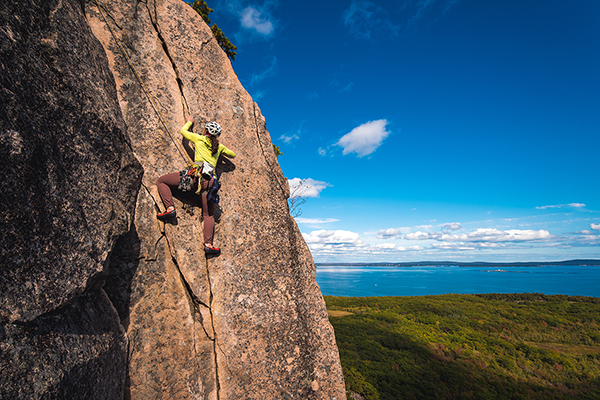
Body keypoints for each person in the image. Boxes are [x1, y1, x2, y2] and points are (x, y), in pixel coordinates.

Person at [156, 117, 236, 254]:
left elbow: (183, 132)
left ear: (205, 131)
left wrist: (189, 122)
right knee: (209, 215)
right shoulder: (219, 147)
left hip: (195, 177)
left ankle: (170, 208)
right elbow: (232, 155)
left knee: (161, 181)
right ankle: (208, 245)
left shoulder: (199, 139)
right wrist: (219, 153)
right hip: (211, 182)